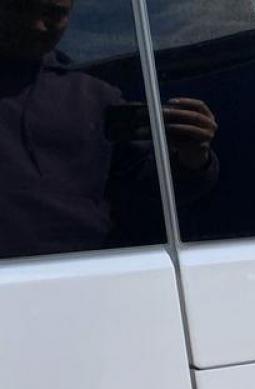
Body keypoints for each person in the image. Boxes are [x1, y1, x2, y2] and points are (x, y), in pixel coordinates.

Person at [0, 0, 219, 257]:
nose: (38, 25)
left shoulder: (95, 96)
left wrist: (193, 156)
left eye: (54, 13)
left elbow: (150, 192)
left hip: (93, 269)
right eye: (22, 8)